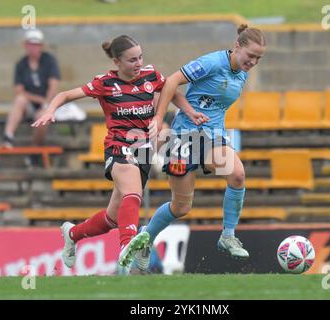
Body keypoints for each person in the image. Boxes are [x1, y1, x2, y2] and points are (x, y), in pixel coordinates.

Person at [31, 35, 207, 269]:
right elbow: (66, 95)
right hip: (118, 146)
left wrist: (191, 112)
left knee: (113, 218)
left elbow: (172, 91)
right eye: (132, 60)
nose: (138, 63)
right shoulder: (105, 83)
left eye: (140, 57)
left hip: (143, 150)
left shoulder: (150, 76)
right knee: (133, 193)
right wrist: (50, 110)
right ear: (117, 62)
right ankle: (127, 245)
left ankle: (72, 234)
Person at [128, 24, 267, 273]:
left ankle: (228, 235)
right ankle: (145, 239)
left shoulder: (242, 73)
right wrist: (159, 119)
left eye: (259, 58)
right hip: (184, 138)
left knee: (237, 175)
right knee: (181, 207)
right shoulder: (211, 63)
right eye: (251, 55)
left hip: (212, 137)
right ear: (237, 47)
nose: (254, 61)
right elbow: (171, 81)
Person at [2, 28, 61, 149]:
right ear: (25, 45)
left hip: (47, 103)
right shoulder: (21, 64)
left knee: (42, 118)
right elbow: (19, 91)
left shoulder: (49, 60)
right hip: (31, 103)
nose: (33, 47)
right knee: (19, 100)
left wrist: (46, 105)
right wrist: (39, 99)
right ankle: (8, 136)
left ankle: (35, 149)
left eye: (36, 44)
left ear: (41, 46)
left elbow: (53, 86)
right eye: (30, 44)